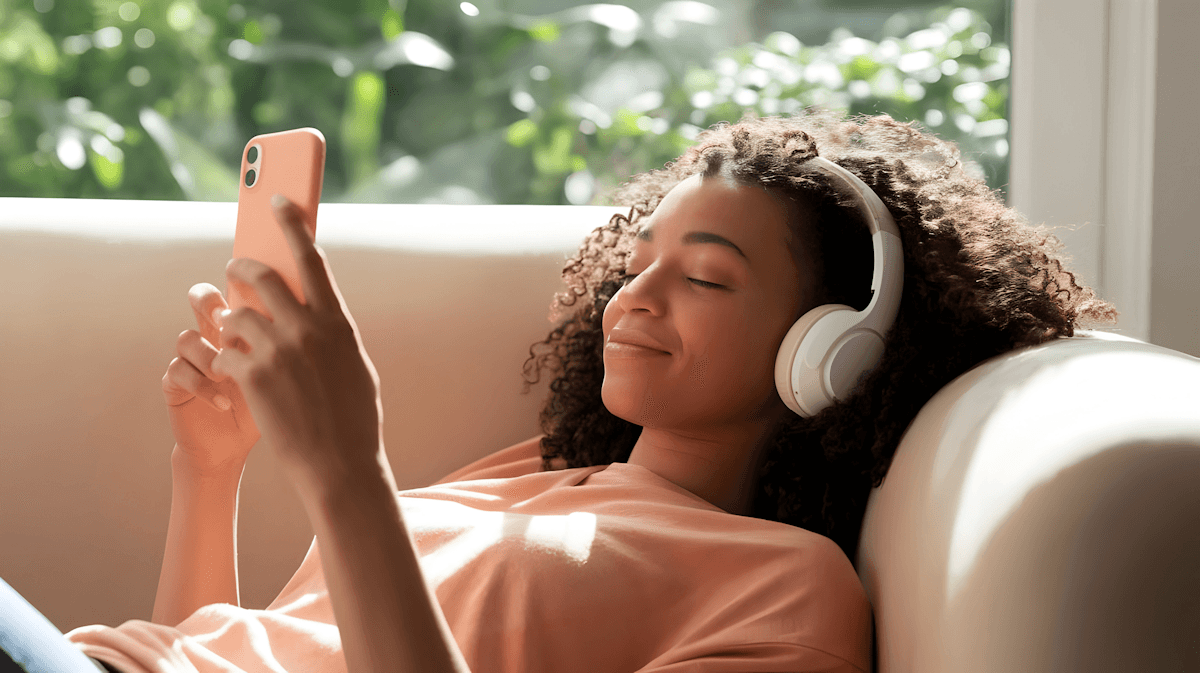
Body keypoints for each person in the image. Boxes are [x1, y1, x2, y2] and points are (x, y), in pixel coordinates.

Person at [0, 108, 1116, 673]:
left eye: (708, 276)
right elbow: (223, 646)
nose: (636, 299)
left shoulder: (786, 589)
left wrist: (349, 470)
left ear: (833, 347)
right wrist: (213, 471)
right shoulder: (526, 478)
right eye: (636, 265)